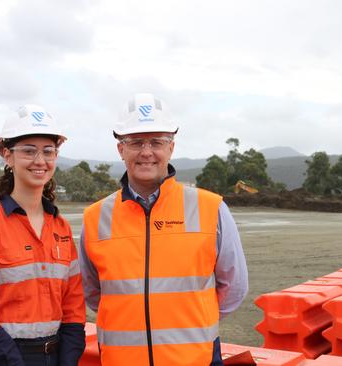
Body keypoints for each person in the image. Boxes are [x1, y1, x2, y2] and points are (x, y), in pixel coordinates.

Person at [79, 93, 248, 366]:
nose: (146, 152)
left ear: (171, 147)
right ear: (121, 149)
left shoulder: (211, 208)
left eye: (156, 141)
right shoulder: (95, 217)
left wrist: (194, 319)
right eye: (135, 142)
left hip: (196, 360)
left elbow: (234, 288)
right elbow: (93, 292)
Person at [0, 104, 86, 366]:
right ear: (8, 155)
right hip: (6, 358)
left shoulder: (61, 227)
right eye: (29, 151)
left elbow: (74, 304)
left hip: (56, 355)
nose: (40, 161)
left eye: (48, 151)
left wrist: (69, 358)